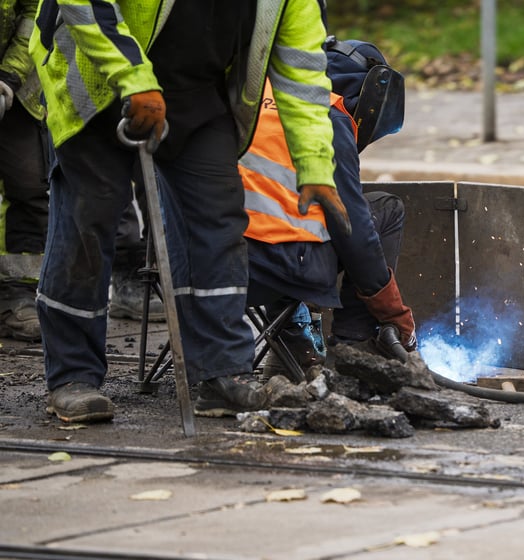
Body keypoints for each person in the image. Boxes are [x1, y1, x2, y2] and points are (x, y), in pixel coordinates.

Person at [30, 0, 350, 423]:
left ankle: (220, 373)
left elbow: (303, 71)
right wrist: (134, 78)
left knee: (218, 221)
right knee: (91, 218)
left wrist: (314, 166)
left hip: (195, 91)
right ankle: (72, 377)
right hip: (96, 77)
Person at [243, 35, 416, 381]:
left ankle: (291, 347)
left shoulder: (250, 96)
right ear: (365, 93)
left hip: (209, 269)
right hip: (282, 269)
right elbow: (354, 231)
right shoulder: (326, 116)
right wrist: (393, 311)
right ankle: (355, 347)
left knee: (288, 213)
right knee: (382, 209)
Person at [0, 0, 49, 342]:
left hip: (15, 90)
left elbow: (35, 11)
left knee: (29, 188)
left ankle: (18, 297)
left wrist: (7, 77)